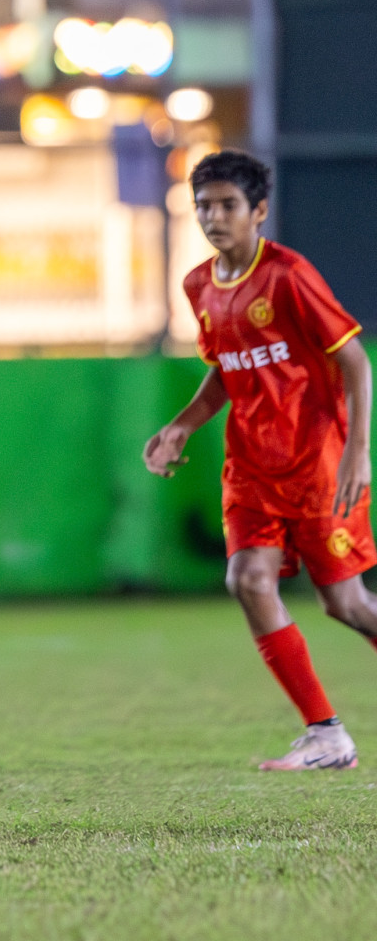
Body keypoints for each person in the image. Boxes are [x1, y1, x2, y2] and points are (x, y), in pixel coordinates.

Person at [144, 149, 376, 771]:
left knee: (346, 605)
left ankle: (327, 731)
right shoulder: (198, 285)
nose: (213, 217)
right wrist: (181, 427)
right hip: (249, 470)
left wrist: (359, 452)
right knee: (247, 579)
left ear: (259, 211)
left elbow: (355, 360)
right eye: (203, 206)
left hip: (318, 465)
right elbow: (225, 369)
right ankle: (326, 733)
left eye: (227, 205)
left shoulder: (289, 277)